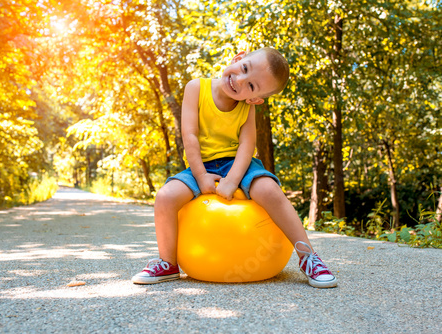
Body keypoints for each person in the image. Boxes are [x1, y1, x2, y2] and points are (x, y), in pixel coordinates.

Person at [132, 47, 338, 289]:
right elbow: (189, 135)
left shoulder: (246, 107)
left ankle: (308, 257)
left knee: (271, 191)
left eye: (251, 86)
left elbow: (247, 144)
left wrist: (232, 179)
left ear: (254, 99)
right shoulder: (196, 88)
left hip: (239, 163)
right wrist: (199, 175)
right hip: (201, 163)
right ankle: (168, 263)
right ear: (238, 58)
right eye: (244, 69)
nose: (239, 80)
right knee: (165, 197)